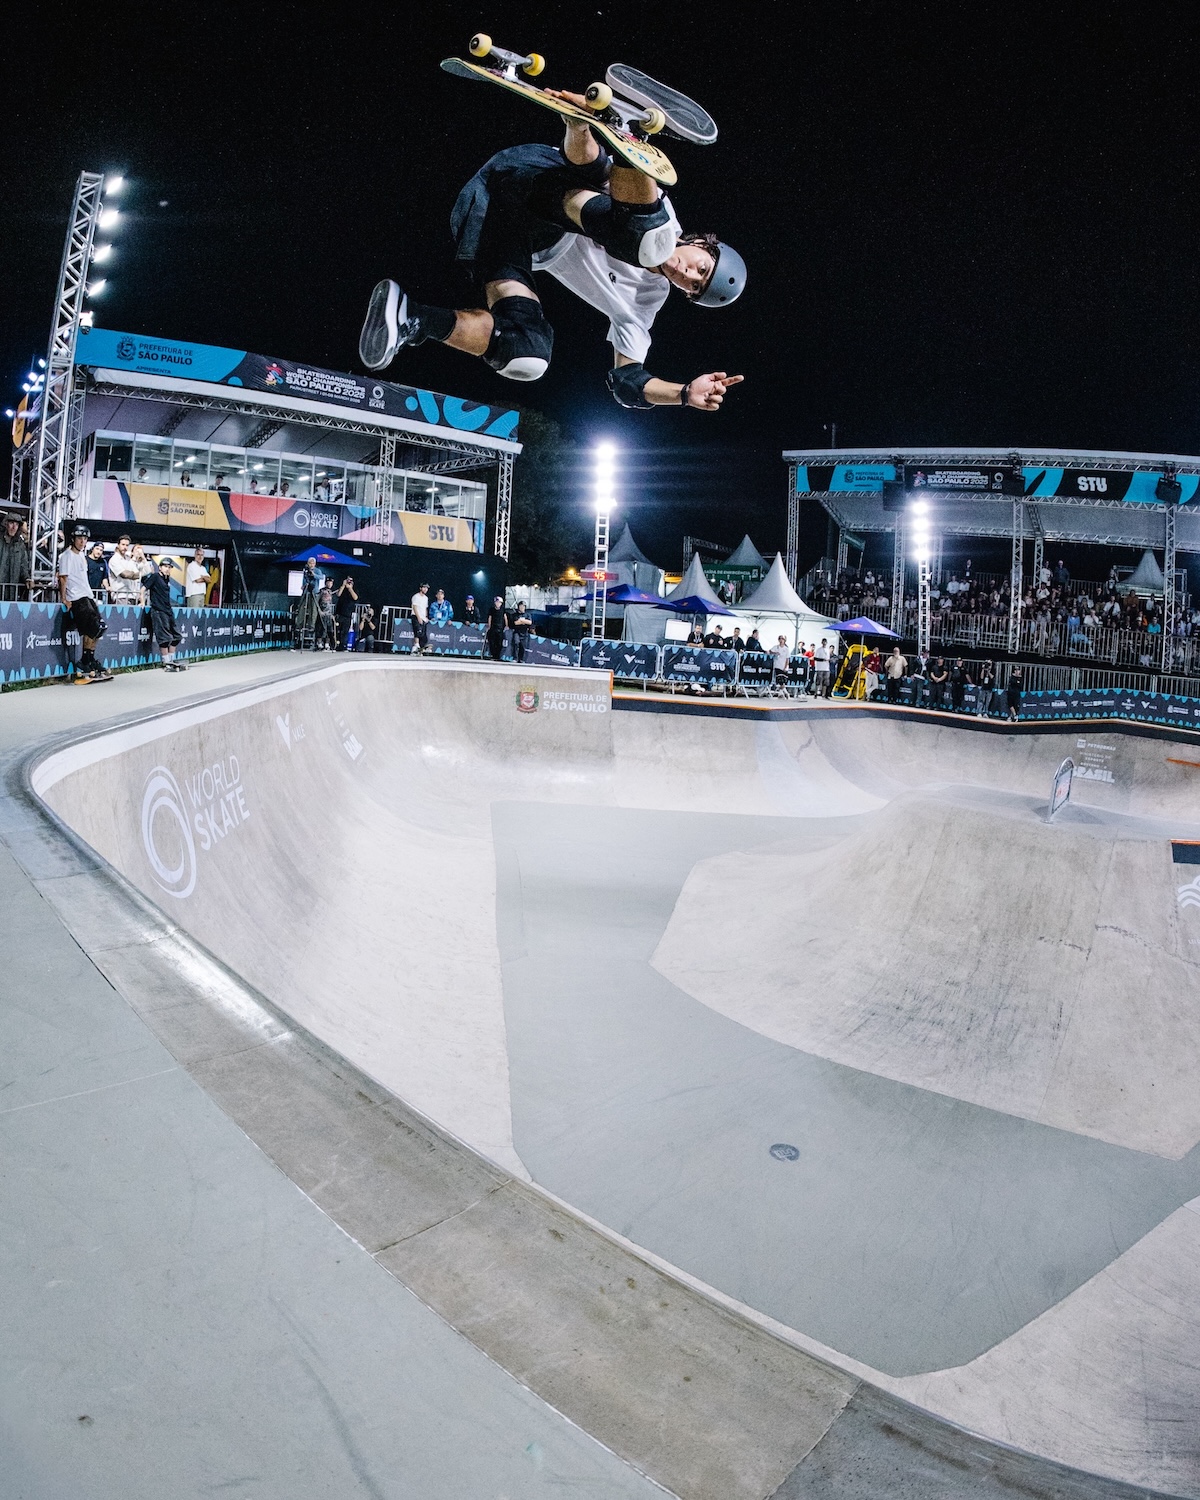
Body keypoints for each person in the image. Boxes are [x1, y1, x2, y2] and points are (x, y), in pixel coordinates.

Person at [359, 91, 746, 413]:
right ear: (701, 245)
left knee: (525, 355)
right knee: (644, 237)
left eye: (694, 287)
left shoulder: (643, 303)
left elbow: (628, 382)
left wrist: (682, 393)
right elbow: (595, 170)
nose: (688, 276)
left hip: (491, 220)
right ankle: (627, 135)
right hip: (528, 177)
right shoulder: (660, 215)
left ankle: (410, 316)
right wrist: (579, 126)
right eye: (701, 268)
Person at [58, 524, 111, 681]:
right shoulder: (66, 556)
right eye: (80, 538)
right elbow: (63, 578)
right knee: (92, 627)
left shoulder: (82, 555)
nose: (82, 542)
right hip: (77, 598)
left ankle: (89, 659)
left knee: (100, 628)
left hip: (87, 595)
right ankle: (84, 661)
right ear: (73, 539)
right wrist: (64, 599)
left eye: (85, 539)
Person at [143, 555, 185, 671]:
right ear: (160, 567)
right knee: (164, 638)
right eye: (165, 566)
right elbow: (143, 589)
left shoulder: (167, 579)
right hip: (158, 610)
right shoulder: (155, 577)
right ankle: (166, 662)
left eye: (169, 567)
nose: (167, 569)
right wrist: (141, 601)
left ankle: (171, 659)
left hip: (168, 610)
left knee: (176, 636)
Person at [107, 535, 146, 606]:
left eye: (127, 545)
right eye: (123, 544)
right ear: (118, 545)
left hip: (132, 595)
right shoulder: (114, 559)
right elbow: (125, 575)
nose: (125, 547)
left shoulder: (128, 559)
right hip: (120, 595)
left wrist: (136, 574)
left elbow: (136, 573)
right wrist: (139, 574)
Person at [0, 511, 31, 600]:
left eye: (17, 524)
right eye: (11, 523)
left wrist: (27, 579)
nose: (14, 527)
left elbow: (23, 566)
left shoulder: (20, 545)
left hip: (12, 591)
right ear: (6, 524)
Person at [335, 575, 358, 649]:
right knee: (338, 629)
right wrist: (343, 585)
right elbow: (338, 594)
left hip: (348, 614)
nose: (349, 582)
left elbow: (355, 597)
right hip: (340, 612)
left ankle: (343, 644)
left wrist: (350, 588)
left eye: (350, 581)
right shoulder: (342, 588)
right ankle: (336, 644)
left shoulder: (353, 590)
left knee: (345, 630)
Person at [486, 595, 510, 662]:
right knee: (492, 642)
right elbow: (490, 618)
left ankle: (497, 656)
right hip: (493, 628)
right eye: (496, 602)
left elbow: (505, 618)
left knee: (499, 643)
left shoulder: (502, 610)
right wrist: (489, 626)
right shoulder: (492, 609)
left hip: (500, 628)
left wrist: (506, 625)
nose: (497, 603)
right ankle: (493, 655)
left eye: (499, 602)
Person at [316, 580, 337, 650]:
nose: (330, 584)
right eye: (328, 582)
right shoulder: (322, 591)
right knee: (320, 628)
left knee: (329, 629)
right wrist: (319, 611)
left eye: (331, 583)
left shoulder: (331, 592)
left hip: (329, 613)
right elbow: (317, 601)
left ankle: (327, 644)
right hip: (322, 612)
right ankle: (319, 643)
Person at [410, 582, 430, 654]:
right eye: (424, 587)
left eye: (427, 588)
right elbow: (414, 607)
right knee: (417, 632)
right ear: (420, 588)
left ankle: (420, 648)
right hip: (416, 616)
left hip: (423, 617)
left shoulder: (426, 598)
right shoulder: (416, 596)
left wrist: (426, 617)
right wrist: (418, 617)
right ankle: (416, 646)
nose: (425, 589)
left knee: (423, 634)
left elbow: (425, 608)